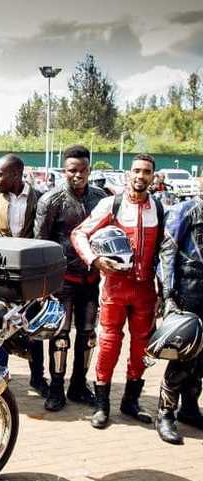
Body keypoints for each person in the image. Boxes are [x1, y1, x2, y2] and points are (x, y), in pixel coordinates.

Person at [73, 153, 164, 429]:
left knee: (141, 348)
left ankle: (131, 401)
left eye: (146, 172)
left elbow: (165, 250)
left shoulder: (158, 208)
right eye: (136, 170)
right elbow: (79, 233)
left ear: (153, 177)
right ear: (128, 174)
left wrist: (163, 289)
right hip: (114, 288)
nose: (140, 176)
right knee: (108, 345)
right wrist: (95, 260)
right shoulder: (111, 204)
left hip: (146, 290)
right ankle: (102, 405)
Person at [34, 145, 107, 411]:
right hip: (61, 281)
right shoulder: (50, 200)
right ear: (64, 171)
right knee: (60, 335)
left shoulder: (101, 199)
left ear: (90, 170)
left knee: (88, 335)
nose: (78, 175)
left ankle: (78, 385)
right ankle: (56, 387)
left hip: (91, 278)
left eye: (83, 170)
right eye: (72, 170)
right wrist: (43, 286)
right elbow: (39, 243)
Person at [0, 154, 46, 395]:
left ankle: (38, 378)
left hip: (29, 274)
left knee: (32, 325)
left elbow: (42, 237)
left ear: (16, 174)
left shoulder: (38, 199)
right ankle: (0, 374)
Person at [156, 196, 203, 444]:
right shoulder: (185, 210)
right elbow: (167, 252)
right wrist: (168, 296)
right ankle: (165, 414)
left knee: (201, 360)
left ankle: (190, 408)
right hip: (187, 291)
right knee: (182, 356)